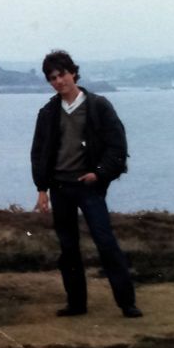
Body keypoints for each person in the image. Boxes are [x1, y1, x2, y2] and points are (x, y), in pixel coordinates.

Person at [30, 50, 142, 318]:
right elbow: (39, 152)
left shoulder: (98, 105)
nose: (58, 81)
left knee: (105, 242)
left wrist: (99, 173)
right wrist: (41, 188)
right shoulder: (48, 112)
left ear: (73, 73)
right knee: (68, 248)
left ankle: (127, 303)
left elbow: (117, 146)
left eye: (62, 75)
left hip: (89, 187)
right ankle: (76, 304)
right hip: (60, 188)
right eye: (52, 78)